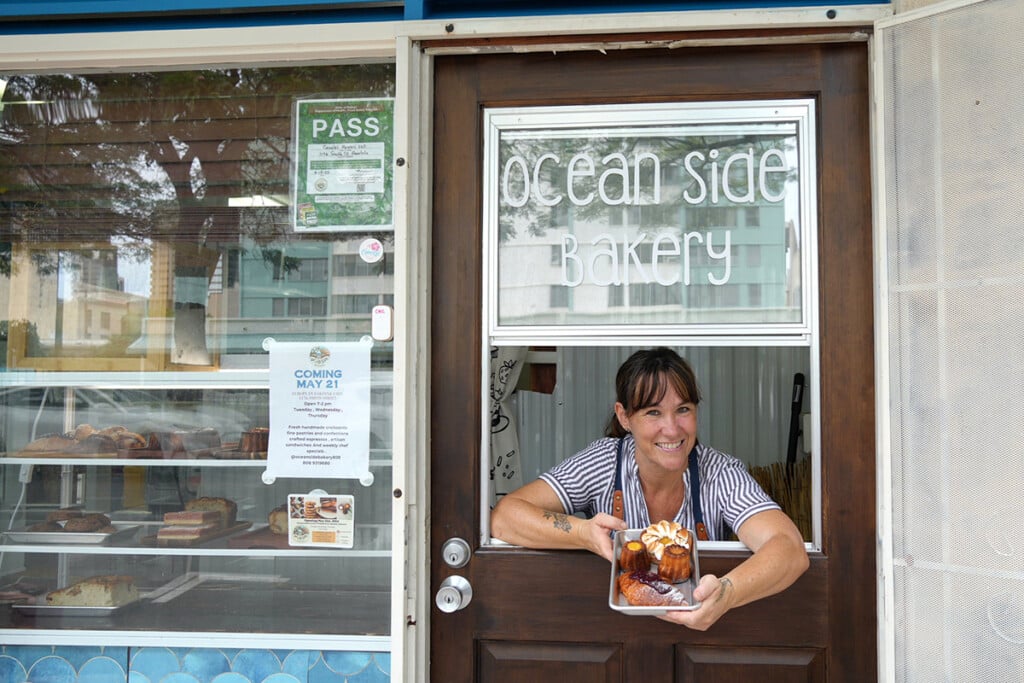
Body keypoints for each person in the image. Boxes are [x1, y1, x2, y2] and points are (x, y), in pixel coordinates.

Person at [490, 347, 809, 631]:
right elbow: (506, 517)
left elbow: (789, 548)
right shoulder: (603, 462)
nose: (672, 429)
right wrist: (582, 534)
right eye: (653, 412)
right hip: (611, 639)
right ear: (624, 417)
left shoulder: (719, 472)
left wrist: (728, 592)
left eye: (683, 409)